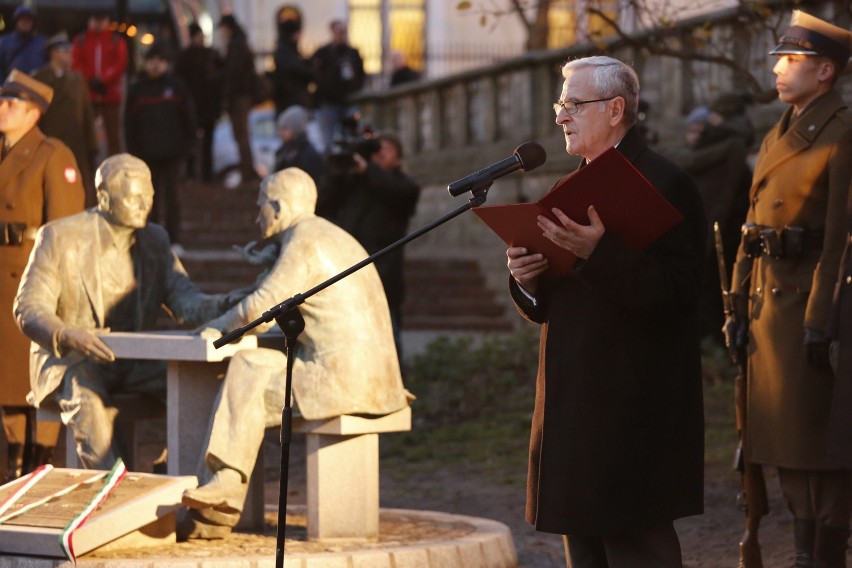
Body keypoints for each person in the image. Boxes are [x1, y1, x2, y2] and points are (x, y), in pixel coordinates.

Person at [506, 56, 705, 566]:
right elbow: (551, 303)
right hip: (574, 407)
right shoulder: (568, 189)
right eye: (560, 104)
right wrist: (526, 279)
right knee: (586, 552)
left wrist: (601, 254)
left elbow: (683, 294)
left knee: (637, 548)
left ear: (616, 109)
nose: (561, 116)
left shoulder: (665, 182)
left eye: (573, 104)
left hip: (632, 408)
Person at [178, 167, 408, 539]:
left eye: (261, 208)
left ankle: (224, 488)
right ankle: (222, 498)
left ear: (279, 207)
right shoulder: (325, 234)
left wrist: (217, 329)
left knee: (249, 364)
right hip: (368, 375)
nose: (257, 217)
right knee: (255, 369)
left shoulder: (305, 241)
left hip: (344, 380)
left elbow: (261, 307)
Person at [13, 154, 232, 471]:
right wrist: (66, 334)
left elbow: (186, 303)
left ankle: (179, 467)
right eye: (133, 198)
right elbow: (28, 306)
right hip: (71, 359)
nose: (144, 205)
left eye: (149, 196)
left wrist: (233, 304)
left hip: (131, 360)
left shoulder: (155, 240)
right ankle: (110, 496)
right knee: (89, 402)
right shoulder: (61, 237)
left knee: (205, 381)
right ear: (103, 198)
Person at [728, 11, 852, 567]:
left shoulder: (843, 132)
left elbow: (841, 240)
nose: (777, 67)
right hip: (766, 305)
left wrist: (819, 320)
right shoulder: (781, 129)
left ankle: (821, 554)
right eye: (780, 57)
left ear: (826, 71)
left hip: (808, 306)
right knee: (785, 445)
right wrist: (734, 304)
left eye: (792, 59)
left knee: (819, 446)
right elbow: (749, 228)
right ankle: (804, 553)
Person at [0, 70, 85, 481]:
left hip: (30, 281)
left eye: (10, 103)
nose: (2, 108)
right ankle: (14, 462)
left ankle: (40, 464)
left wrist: (61, 291)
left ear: (33, 113)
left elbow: (66, 230)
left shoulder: (52, 154)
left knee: (36, 379)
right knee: (7, 383)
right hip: (2, 283)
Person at [323, 133, 420, 359]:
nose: (380, 154)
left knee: (388, 338)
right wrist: (337, 173)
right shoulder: (356, 183)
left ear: (399, 157)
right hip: (348, 269)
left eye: (387, 149)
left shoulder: (404, 186)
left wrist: (367, 169)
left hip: (384, 275)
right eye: (376, 150)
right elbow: (324, 204)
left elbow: (392, 190)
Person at [678, 100, 751, 343]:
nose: (694, 135)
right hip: (720, 233)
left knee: (713, 290)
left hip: (719, 234)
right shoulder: (729, 150)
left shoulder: (722, 148)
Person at [125, 44, 197, 248]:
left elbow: (188, 117)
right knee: (149, 198)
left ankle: (174, 238)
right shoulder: (138, 89)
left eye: (160, 61)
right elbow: (129, 123)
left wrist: (189, 145)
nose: (156, 65)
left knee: (173, 197)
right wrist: (133, 150)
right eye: (152, 61)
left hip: (173, 151)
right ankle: (152, 238)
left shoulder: (177, 86)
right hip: (146, 152)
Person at [33, 32, 98, 207]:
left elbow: (87, 113)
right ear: (53, 53)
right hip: (50, 142)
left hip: (76, 144)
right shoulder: (39, 78)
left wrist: (92, 145)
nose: (69, 54)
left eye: (69, 51)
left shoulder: (77, 79)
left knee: (79, 188)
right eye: (64, 50)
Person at [72, 11, 128, 157]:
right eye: (95, 19)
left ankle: (114, 168)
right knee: (86, 136)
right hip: (88, 96)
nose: (98, 23)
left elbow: (120, 64)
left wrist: (103, 80)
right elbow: (76, 63)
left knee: (113, 136)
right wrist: (90, 79)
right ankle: (87, 169)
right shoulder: (81, 40)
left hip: (109, 96)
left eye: (101, 19)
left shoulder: (116, 40)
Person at [174, 23, 222, 183]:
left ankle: (200, 174)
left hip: (202, 107)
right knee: (195, 143)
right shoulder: (206, 55)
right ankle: (196, 174)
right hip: (198, 107)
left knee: (201, 143)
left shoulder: (202, 56)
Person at [217, 14, 260, 188]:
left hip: (239, 96)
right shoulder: (240, 43)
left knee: (241, 136)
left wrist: (227, 95)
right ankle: (247, 173)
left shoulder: (236, 45)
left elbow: (232, 73)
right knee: (242, 136)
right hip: (242, 95)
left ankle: (247, 174)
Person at [312, 20, 365, 151]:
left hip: (349, 100)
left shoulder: (352, 53)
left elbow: (361, 74)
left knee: (350, 137)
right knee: (328, 139)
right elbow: (316, 74)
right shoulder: (324, 53)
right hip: (330, 101)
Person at [270, 10, 314, 116]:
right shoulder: (286, 52)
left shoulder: (287, 50)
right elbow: (297, 70)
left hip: (291, 101)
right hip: (291, 102)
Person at [273, 105, 325, 183]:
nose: (280, 133)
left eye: (284, 128)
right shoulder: (282, 153)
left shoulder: (309, 156)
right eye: (279, 129)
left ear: (296, 129)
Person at [0, 6, 46, 79]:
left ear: (33, 23)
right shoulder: (4, 42)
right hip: (11, 87)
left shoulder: (42, 42)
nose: (25, 23)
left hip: (36, 86)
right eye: (22, 20)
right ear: (16, 22)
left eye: (28, 20)